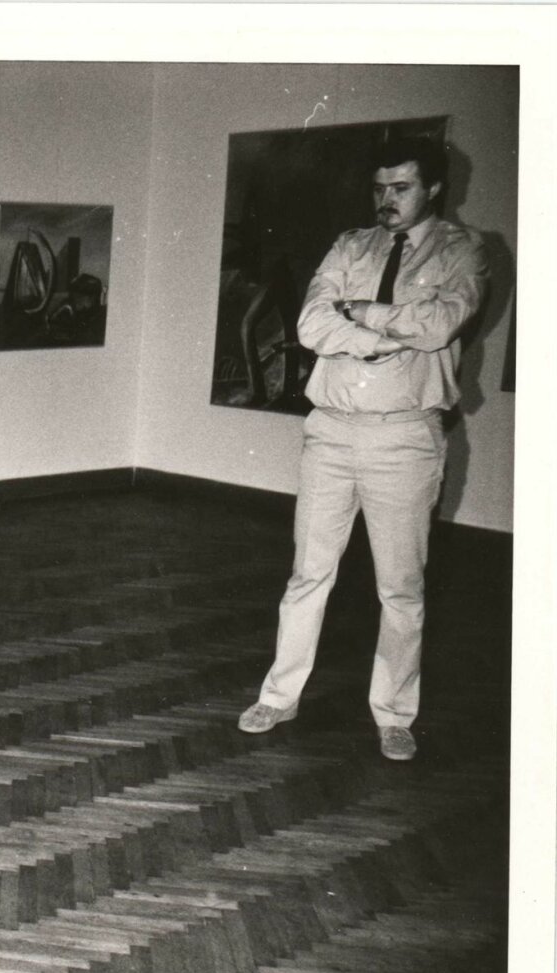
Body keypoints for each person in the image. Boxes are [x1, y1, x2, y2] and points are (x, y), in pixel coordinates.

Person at [237, 136, 488, 761]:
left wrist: (361, 313)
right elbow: (310, 325)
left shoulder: (463, 249)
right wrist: (387, 334)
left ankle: (394, 713)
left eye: (401, 187)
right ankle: (279, 695)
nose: (386, 200)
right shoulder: (351, 246)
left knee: (400, 588)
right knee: (307, 574)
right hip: (330, 430)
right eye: (379, 188)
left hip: (405, 436)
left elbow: (440, 324)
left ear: (433, 188)